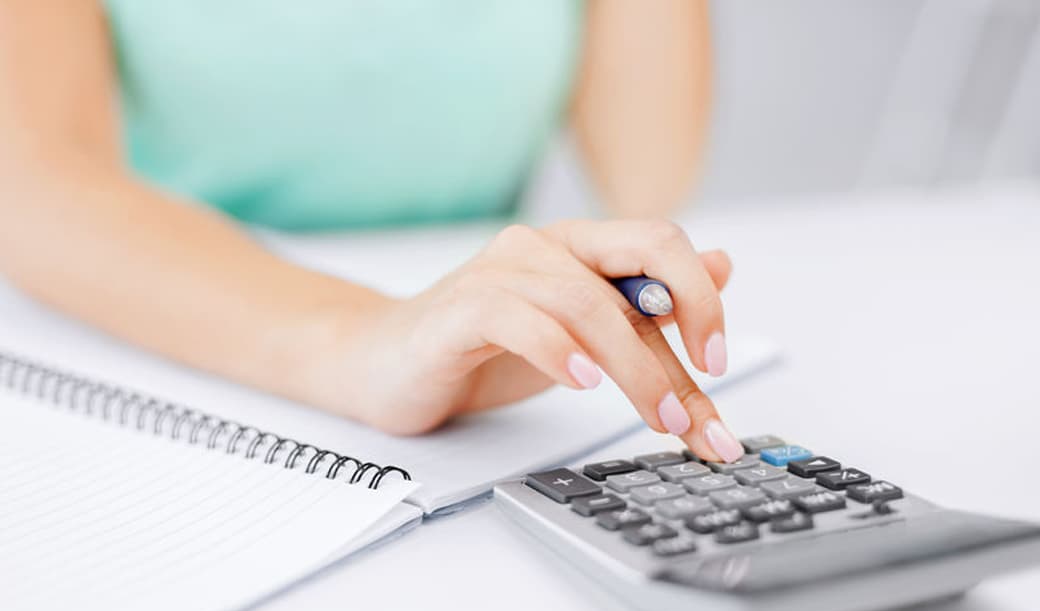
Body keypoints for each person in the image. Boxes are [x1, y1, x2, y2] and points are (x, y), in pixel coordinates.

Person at [0, 0, 745, 464]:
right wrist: (364, 340)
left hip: (474, 355)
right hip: (177, 344)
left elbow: (650, 170)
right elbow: (32, 185)